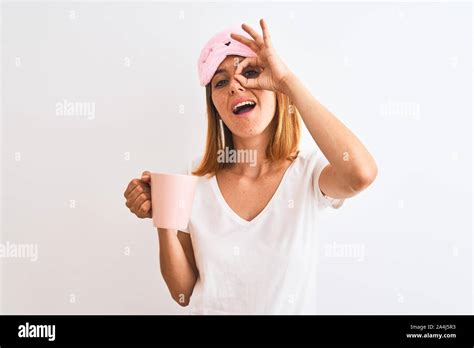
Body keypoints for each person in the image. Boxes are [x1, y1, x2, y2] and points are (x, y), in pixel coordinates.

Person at [124, 19, 378, 314]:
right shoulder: (194, 180)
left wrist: (288, 82)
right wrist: (164, 219)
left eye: (251, 72)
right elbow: (183, 293)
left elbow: (361, 174)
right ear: (215, 107)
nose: (235, 85)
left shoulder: (307, 172)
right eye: (220, 82)